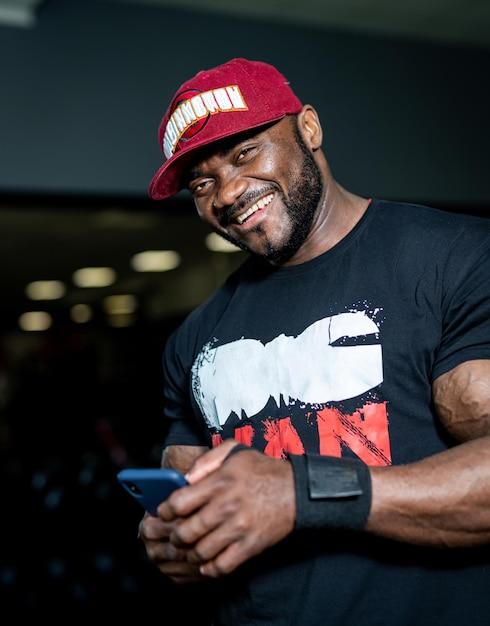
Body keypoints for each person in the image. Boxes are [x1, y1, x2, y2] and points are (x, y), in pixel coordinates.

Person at [138, 57, 490, 625]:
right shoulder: (194, 339)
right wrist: (176, 539)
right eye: (203, 184)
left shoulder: (457, 260)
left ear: (308, 128)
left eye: (245, 153)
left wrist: (302, 493)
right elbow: (190, 513)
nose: (227, 192)